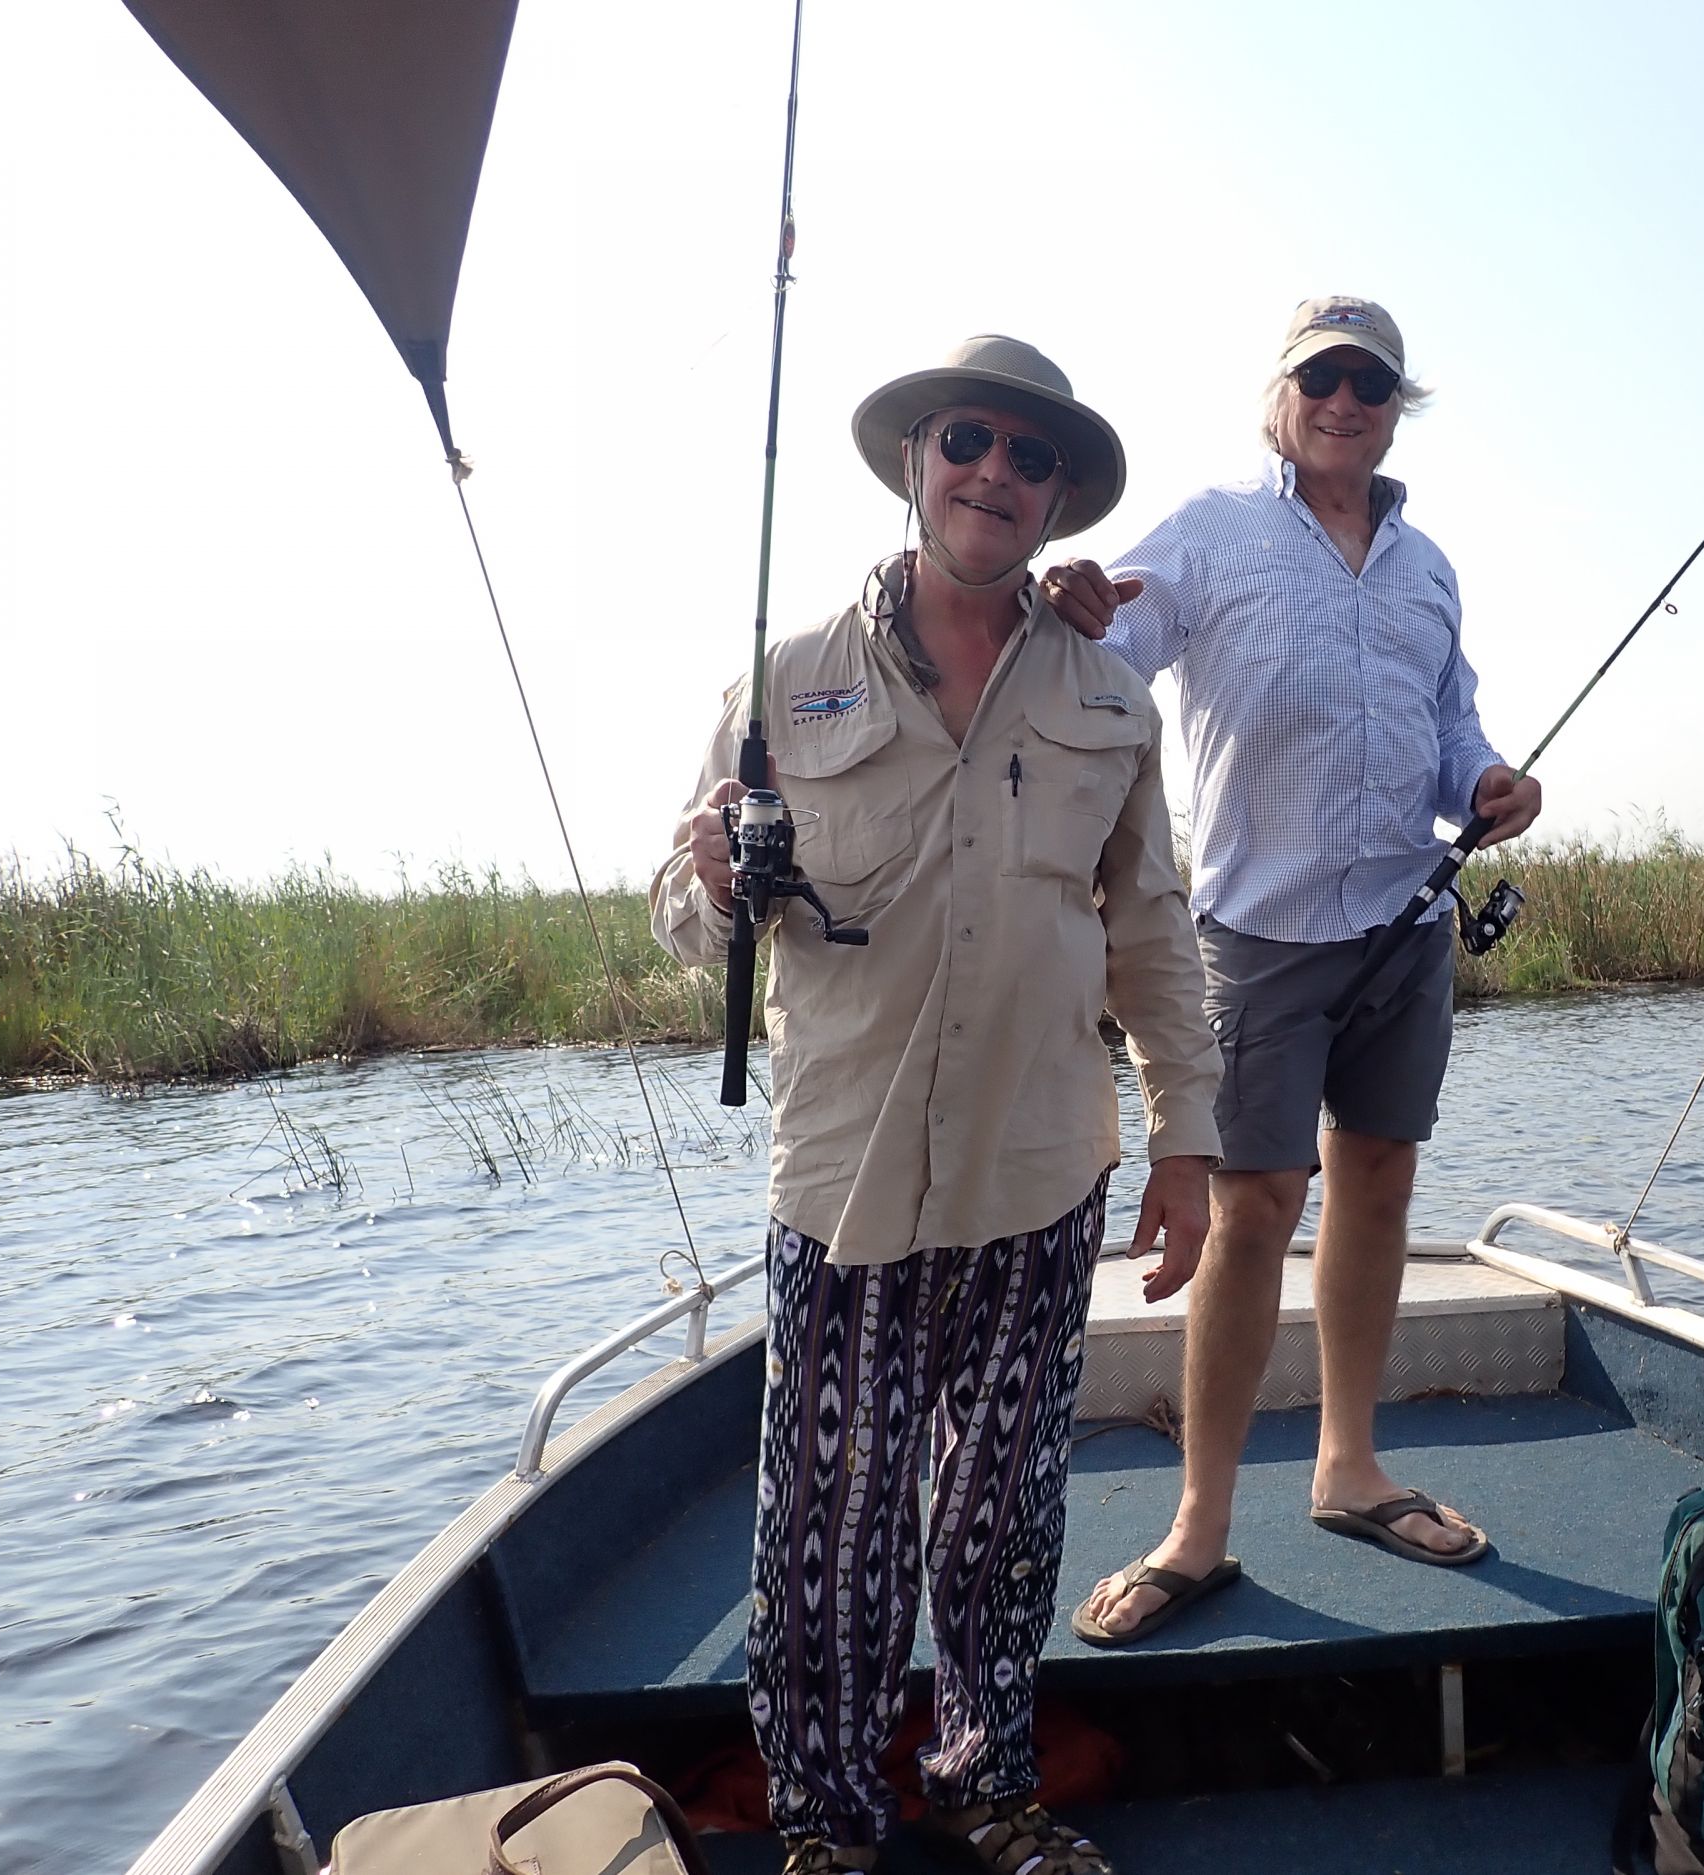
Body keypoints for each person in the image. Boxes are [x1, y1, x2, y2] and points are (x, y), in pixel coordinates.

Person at [650, 336, 1222, 1875]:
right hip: (846, 1178)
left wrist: (1186, 1140)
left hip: (1043, 1171)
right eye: (969, 439)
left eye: (1032, 457)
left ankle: (987, 1784)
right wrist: (712, 882)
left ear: (1057, 497)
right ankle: (827, 1823)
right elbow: (682, 915)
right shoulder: (783, 683)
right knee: (826, 1523)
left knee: (1002, 1509)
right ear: (917, 460)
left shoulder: (1112, 697)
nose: (995, 473)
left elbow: (1153, 930)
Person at [1049, 297, 1542, 1646]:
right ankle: (1199, 1527)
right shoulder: (1213, 532)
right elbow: (1106, 651)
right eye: (1320, 377)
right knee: (1254, 1207)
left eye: (1370, 384)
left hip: (1404, 919)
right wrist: (1070, 604)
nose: (1344, 402)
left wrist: (1491, 783)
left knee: (1379, 1180)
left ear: (1397, 409)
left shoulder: (1428, 566)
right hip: (1256, 935)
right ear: (1280, 396)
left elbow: (1453, 725)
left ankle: (1350, 1469)